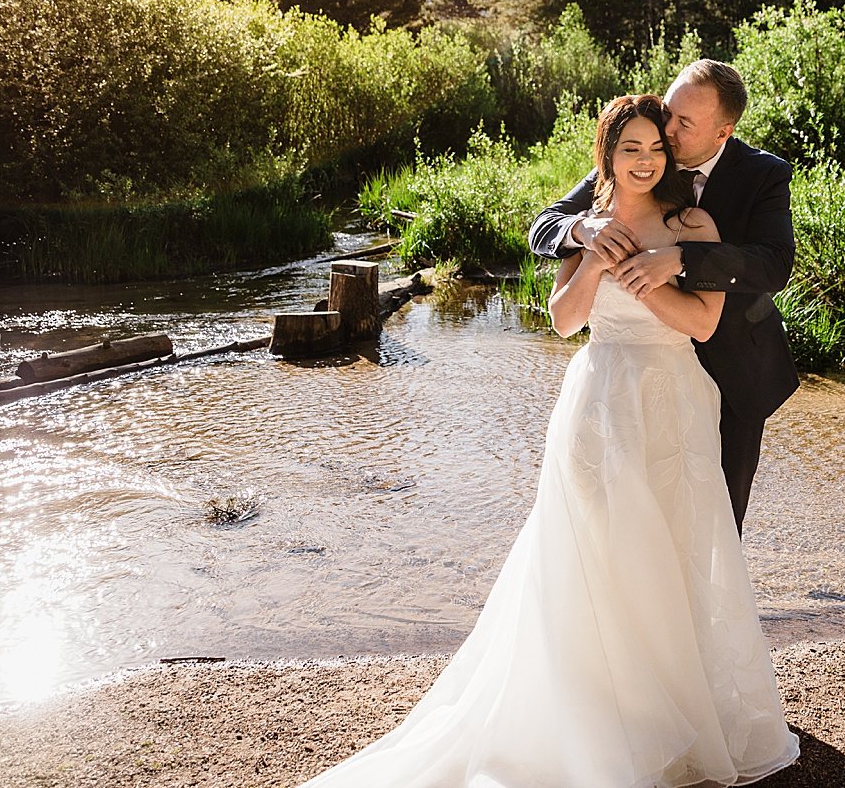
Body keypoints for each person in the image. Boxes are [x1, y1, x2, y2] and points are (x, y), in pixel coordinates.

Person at [297, 94, 798, 788]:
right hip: (599, 403)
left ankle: (674, 714)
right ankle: (598, 717)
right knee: (594, 554)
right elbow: (564, 320)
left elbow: (704, 324)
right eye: (632, 148)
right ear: (609, 154)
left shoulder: (694, 221)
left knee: (675, 552)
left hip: (676, 401)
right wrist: (595, 257)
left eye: (657, 146)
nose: (648, 157)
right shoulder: (585, 223)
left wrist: (650, 277)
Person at [529, 59, 797, 532]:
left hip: (732, 364)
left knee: (717, 520)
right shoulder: (641, 157)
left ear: (723, 132)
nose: (667, 129)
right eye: (669, 111)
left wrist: (682, 260)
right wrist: (581, 229)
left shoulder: (763, 175)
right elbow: (543, 227)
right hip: (628, 379)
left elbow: (773, 264)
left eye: (684, 123)